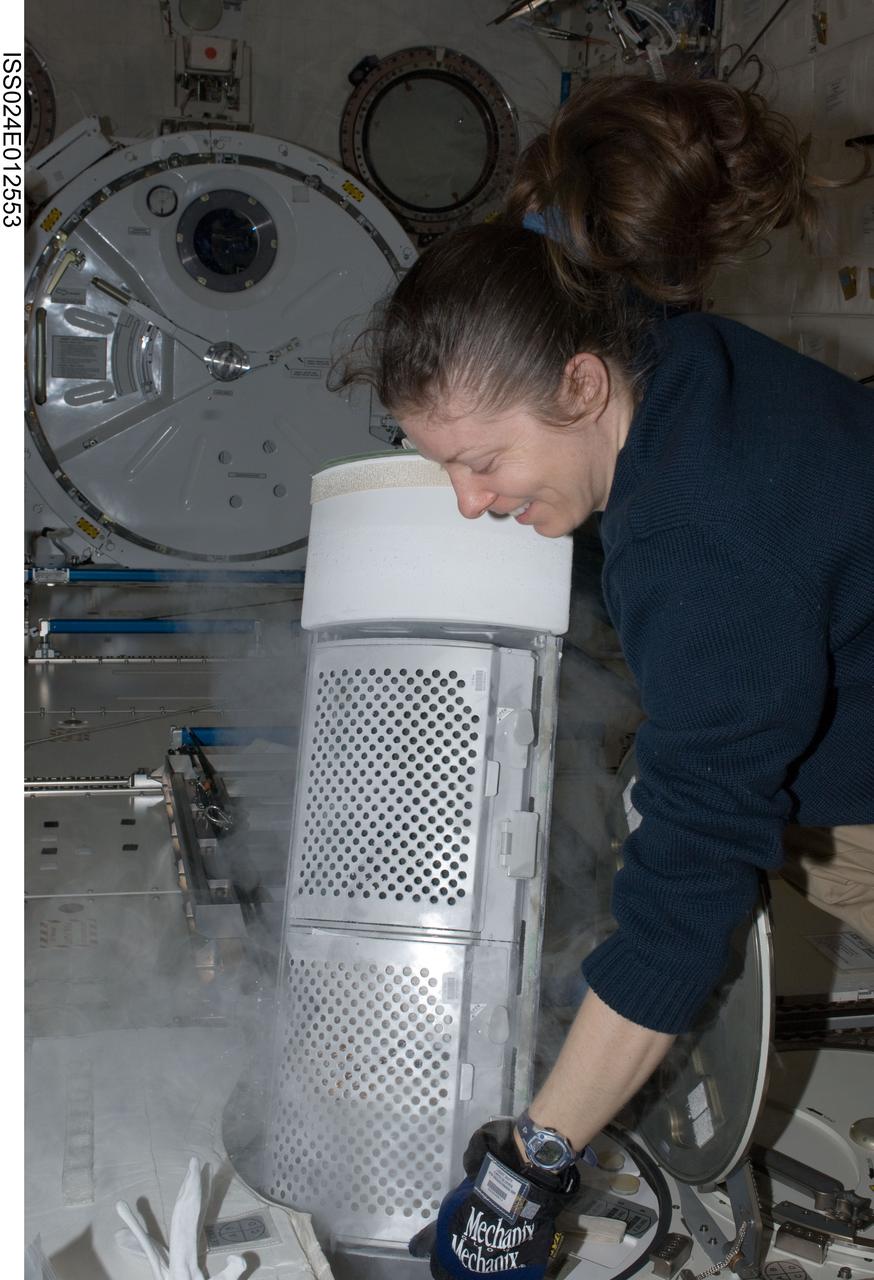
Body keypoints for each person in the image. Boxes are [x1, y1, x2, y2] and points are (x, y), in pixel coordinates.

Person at [337, 74, 874, 1279]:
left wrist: (530, 1165)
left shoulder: (704, 540)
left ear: (579, 385)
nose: (470, 502)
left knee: (682, 868)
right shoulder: (663, 363)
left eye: (480, 463)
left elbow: (692, 879)